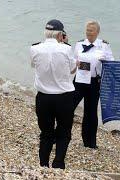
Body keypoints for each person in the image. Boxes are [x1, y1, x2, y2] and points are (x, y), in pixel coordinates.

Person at [30, 19, 78, 169]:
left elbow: (34, 65)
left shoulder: (34, 48)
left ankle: (43, 164)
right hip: (64, 97)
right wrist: (65, 45)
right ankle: (58, 163)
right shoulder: (66, 49)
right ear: (60, 34)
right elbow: (72, 70)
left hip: (43, 97)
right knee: (64, 131)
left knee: (46, 132)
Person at [73, 20, 114, 149]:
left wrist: (103, 61)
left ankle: (90, 142)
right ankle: (60, 136)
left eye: (91, 30)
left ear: (97, 32)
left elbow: (112, 63)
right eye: (87, 30)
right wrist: (76, 63)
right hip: (79, 81)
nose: (88, 32)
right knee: (68, 107)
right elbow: (72, 60)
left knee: (90, 113)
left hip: (93, 82)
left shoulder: (104, 45)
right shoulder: (79, 44)